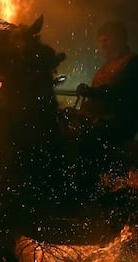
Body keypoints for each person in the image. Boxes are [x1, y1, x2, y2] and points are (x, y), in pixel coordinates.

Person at [66, 20, 138, 193]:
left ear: (120, 39)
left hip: (120, 122)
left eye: (107, 40)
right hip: (100, 118)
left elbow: (117, 92)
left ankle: (88, 188)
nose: (103, 45)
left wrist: (91, 92)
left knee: (89, 138)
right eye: (101, 41)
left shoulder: (132, 64)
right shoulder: (106, 67)